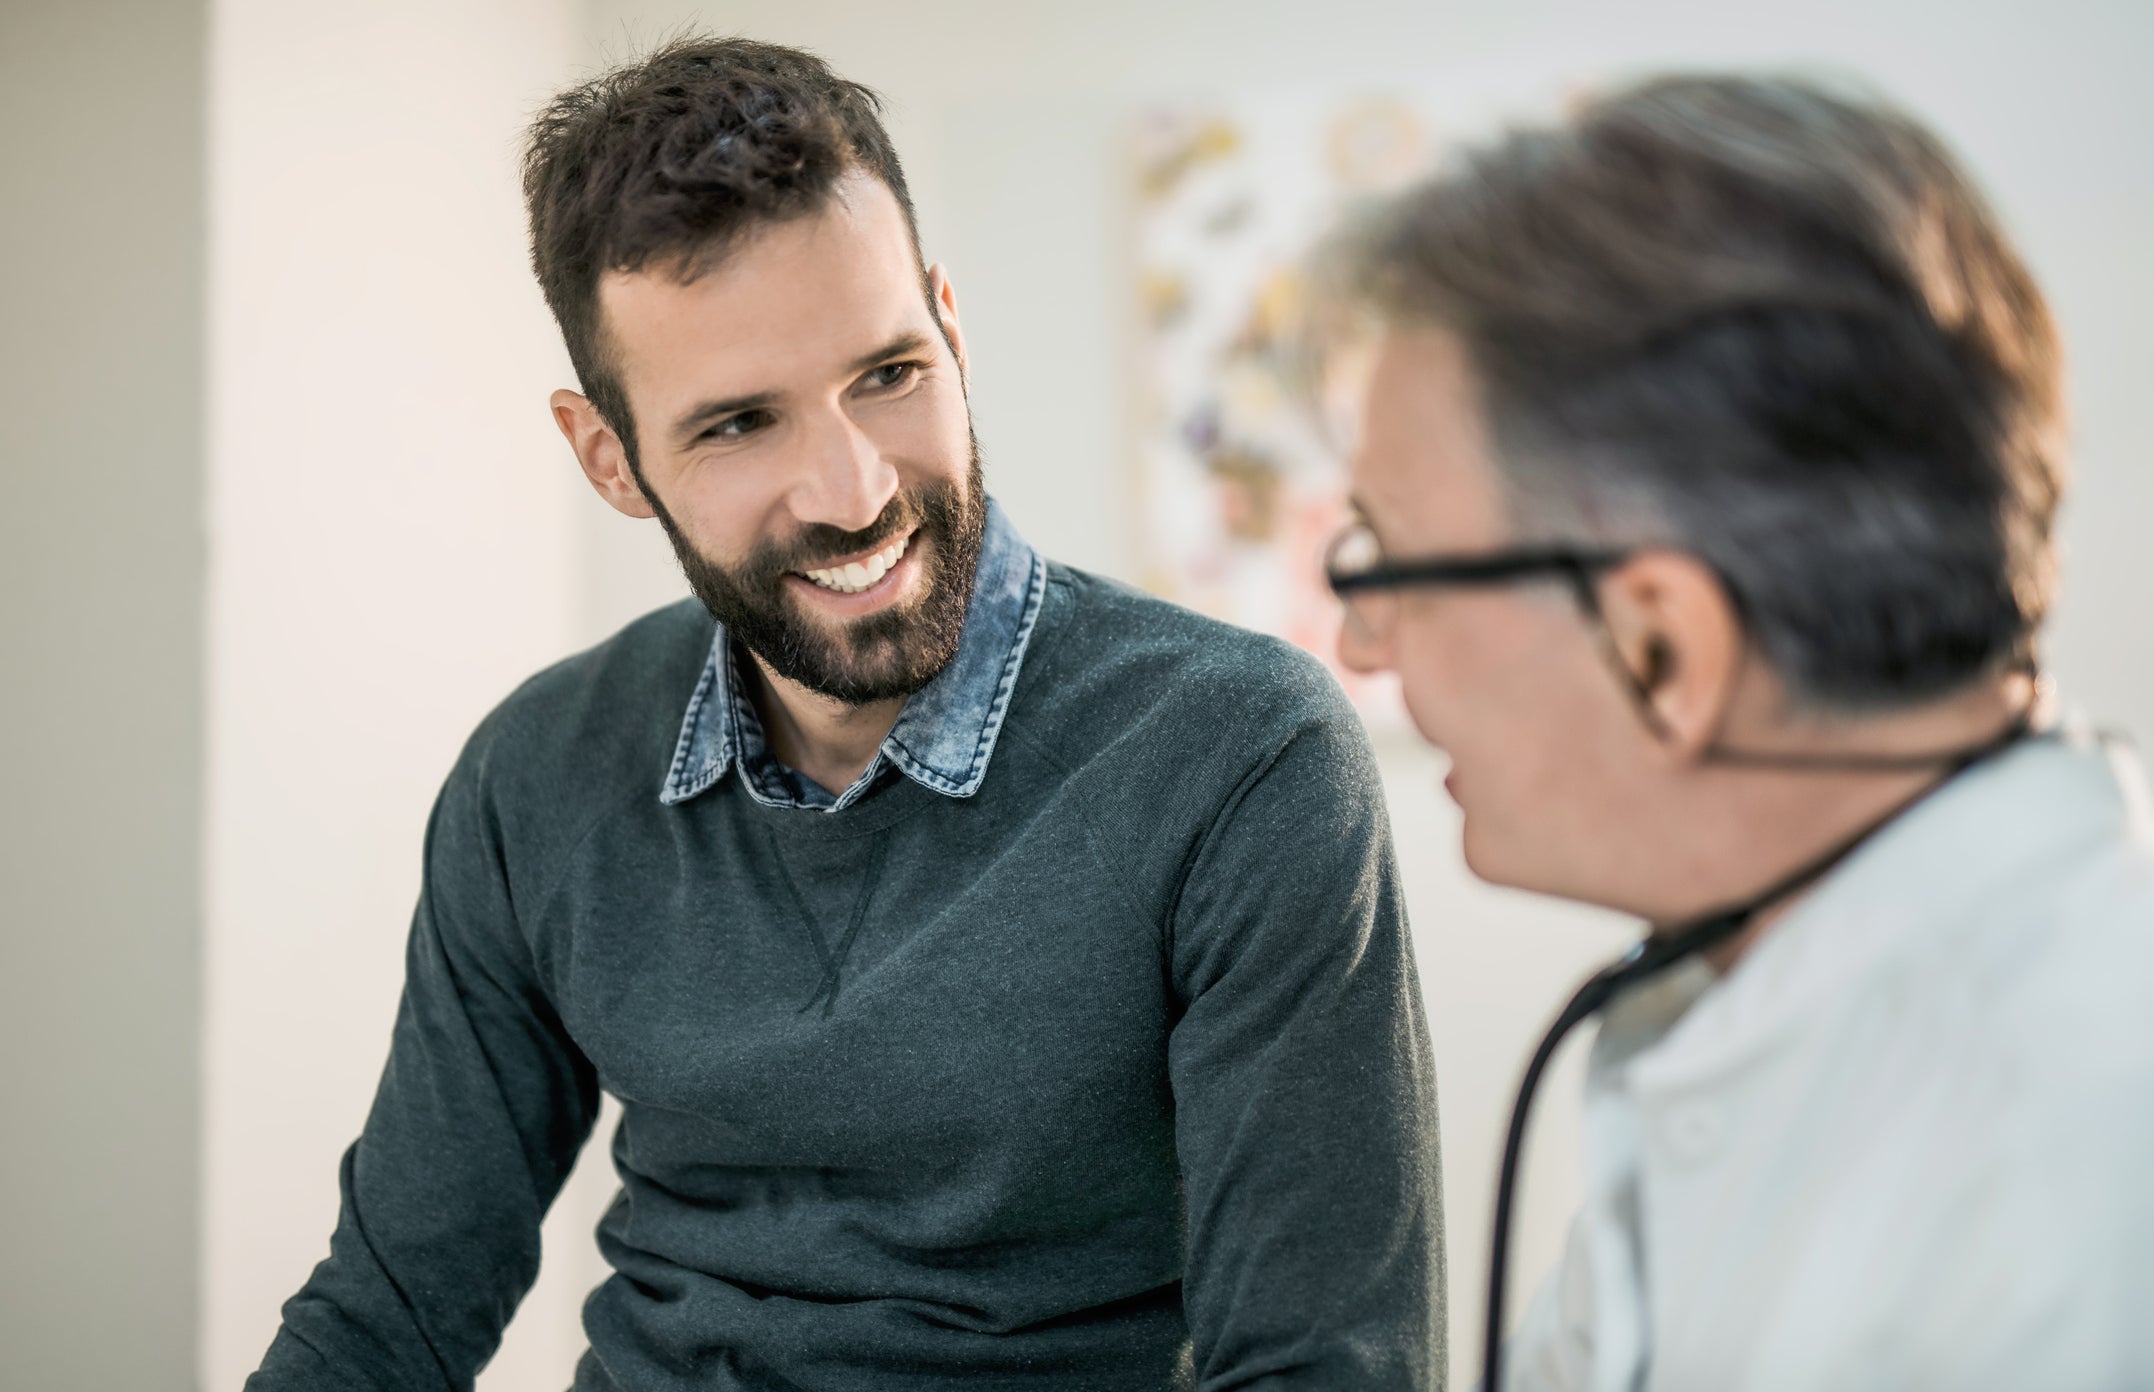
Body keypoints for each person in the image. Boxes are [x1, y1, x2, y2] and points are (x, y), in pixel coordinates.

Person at [248, 35, 1443, 1392]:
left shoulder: (1241, 757)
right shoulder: (537, 775)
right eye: (737, 425)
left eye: (888, 373)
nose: (852, 489)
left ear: (949, 323)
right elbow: (389, 1316)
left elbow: (1321, 1369)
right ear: (609, 456)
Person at [1325, 73, 2154, 1391]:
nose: (1360, 646)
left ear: (1660, 650)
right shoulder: (1747, 981)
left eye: (1392, 573)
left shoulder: (2084, 1155)